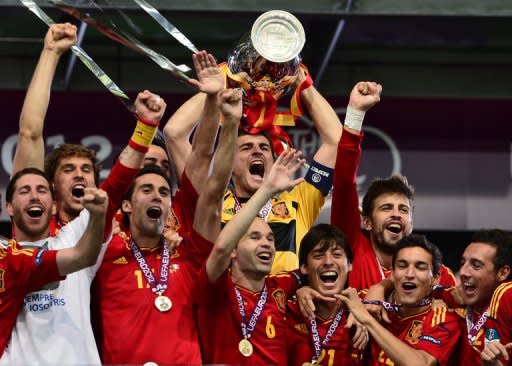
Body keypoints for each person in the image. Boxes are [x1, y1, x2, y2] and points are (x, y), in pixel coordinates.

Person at [5, 23, 168, 365]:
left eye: (86, 171)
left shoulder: (79, 235)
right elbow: (30, 132)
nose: (79, 175)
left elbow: (119, 183)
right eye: (68, 169)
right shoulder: (8, 255)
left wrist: (146, 127)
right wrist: (50, 52)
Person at [92, 51, 242, 364]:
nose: (158, 196)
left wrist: (215, 104)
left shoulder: (187, 253)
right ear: (128, 206)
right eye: (146, 189)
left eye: (163, 190)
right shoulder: (105, 252)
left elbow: (205, 169)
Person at [164, 68, 343, 273]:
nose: (257, 151)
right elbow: (175, 133)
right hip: (224, 302)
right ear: (228, 164)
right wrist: (223, 79)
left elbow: (335, 141)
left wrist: (303, 84)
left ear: (274, 162)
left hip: (282, 302)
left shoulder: (298, 202)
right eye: (246, 148)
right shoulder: (211, 201)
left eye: (264, 148)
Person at [330, 81, 456, 289]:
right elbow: (344, 184)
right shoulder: (352, 248)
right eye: (386, 208)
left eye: (403, 209)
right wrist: (355, 114)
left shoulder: (435, 272)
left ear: (412, 224)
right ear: (367, 222)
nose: (396, 214)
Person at [197, 148, 305, 365]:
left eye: (270, 239)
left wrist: (306, 288)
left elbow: (312, 272)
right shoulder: (216, 287)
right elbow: (219, 249)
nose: (266, 243)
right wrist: (266, 190)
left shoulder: (281, 287)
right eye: (254, 237)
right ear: (234, 250)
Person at [0, 168, 107, 358]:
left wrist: (98, 215)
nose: (34, 196)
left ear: (55, 206)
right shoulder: (8, 257)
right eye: (24, 191)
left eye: (41, 190)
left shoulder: (71, 238)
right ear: (9, 207)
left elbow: (82, 255)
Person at [340, 234, 461, 366]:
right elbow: (325, 302)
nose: (409, 274)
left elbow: (421, 364)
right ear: (392, 273)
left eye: (420, 267)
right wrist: (312, 294)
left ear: (435, 278)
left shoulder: (443, 318)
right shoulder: (369, 300)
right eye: (402, 266)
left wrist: (367, 321)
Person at [286, 224, 365, 365]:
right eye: (318, 255)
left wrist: (366, 313)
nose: (328, 262)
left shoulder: (367, 307)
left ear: (350, 265)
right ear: (304, 267)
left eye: (337, 254)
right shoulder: (286, 311)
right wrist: (298, 287)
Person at [452, 229, 512, 366]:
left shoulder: (507, 297)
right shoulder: (450, 305)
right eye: (463, 263)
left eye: (476, 265)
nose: (463, 272)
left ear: (503, 273)